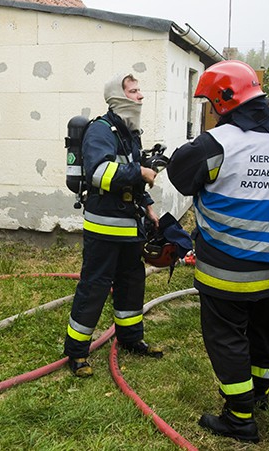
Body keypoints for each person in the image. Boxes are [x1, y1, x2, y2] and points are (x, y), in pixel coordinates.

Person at [166, 60, 269, 443]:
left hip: (224, 266)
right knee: (265, 333)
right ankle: (260, 395)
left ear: (222, 101)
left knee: (228, 338)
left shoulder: (218, 143)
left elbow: (181, 177)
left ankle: (239, 418)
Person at [63, 73, 163, 378]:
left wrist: (148, 206)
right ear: (117, 98)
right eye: (133, 91)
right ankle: (77, 352)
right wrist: (140, 172)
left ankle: (132, 339)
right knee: (94, 287)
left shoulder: (128, 132)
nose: (140, 96)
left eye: (139, 90)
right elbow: (99, 173)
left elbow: (131, 175)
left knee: (132, 284)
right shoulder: (101, 131)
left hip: (130, 226)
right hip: (105, 228)